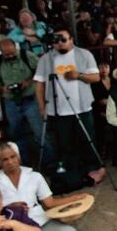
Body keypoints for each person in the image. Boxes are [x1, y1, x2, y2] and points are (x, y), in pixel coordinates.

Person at [33, 27, 102, 190]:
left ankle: (92, 169)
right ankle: (70, 173)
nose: (60, 43)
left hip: (82, 108)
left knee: (87, 139)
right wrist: (42, 107)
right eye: (56, 40)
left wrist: (79, 75)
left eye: (63, 39)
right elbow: (39, 84)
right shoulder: (46, 59)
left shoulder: (84, 54)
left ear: (71, 39)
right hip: (57, 110)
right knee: (64, 143)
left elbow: (96, 77)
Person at [0, 38, 46, 164]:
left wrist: (29, 81)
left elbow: (41, 70)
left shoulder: (27, 56)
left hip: (31, 99)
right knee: (16, 135)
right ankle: (22, 163)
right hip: (11, 102)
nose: (10, 56)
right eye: (6, 54)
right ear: (1, 52)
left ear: (15, 47)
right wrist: (2, 88)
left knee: (40, 133)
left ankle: (48, 162)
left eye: (12, 53)